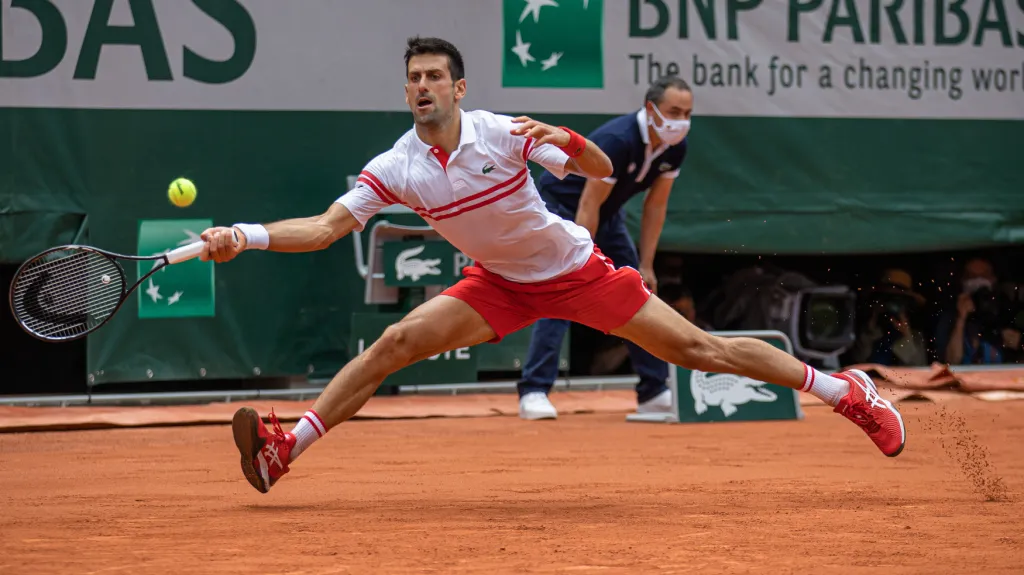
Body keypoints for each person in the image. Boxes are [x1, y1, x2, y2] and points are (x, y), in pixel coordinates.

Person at [199, 37, 907, 495]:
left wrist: (562, 135)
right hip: (497, 284)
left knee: (700, 349)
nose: (422, 87)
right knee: (395, 343)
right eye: (413, 77)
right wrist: (245, 233)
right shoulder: (397, 165)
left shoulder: (505, 133)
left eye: (435, 76)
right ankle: (281, 449)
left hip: (575, 270)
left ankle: (845, 390)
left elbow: (597, 170)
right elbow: (325, 228)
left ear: (459, 87)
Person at [516, 75, 691, 421]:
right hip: (562, 209)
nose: (681, 120)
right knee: (563, 291)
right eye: (674, 110)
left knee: (638, 292)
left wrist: (647, 263)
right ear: (651, 109)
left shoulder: (676, 147)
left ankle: (654, 390)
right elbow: (587, 205)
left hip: (608, 215)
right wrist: (580, 262)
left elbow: (656, 206)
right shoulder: (618, 139)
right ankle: (534, 390)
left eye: (687, 112)